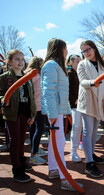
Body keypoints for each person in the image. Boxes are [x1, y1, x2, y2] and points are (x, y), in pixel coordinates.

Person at [41, 38, 83, 191]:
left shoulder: (57, 66)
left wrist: (64, 111)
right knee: (58, 144)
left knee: (56, 143)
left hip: (58, 111)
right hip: (55, 112)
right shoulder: (52, 65)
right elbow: (49, 91)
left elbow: (59, 91)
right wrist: (53, 113)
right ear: (59, 49)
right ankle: (65, 179)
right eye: (65, 48)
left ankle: (53, 170)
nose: (67, 51)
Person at [77, 40, 104, 177]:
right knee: (88, 130)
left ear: (94, 49)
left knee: (94, 132)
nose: (86, 53)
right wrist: (93, 83)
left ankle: (91, 154)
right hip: (88, 100)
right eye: (84, 51)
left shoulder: (102, 64)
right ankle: (89, 163)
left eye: (88, 49)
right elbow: (82, 81)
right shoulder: (82, 64)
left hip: (100, 102)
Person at [0, 49, 36, 182]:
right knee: (15, 141)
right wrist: (3, 99)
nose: (21, 62)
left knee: (22, 140)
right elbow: (1, 93)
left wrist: (32, 113)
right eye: (17, 59)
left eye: (22, 59)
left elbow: (30, 96)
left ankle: (21, 161)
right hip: (12, 114)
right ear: (9, 62)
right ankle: (17, 170)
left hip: (25, 113)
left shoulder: (27, 77)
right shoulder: (4, 78)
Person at [25, 56, 48, 165]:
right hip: (37, 106)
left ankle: (35, 149)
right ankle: (33, 155)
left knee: (34, 128)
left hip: (35, 105)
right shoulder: (34, 75)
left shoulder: (31, 74)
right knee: (40, 128)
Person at [67, 54, 83, 163]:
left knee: (80, 126)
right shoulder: (69, 74)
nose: (79, 63)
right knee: (76, 127)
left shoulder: (81, 73)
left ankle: (77, 145)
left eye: (80, 61)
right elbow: (67, 90)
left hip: (83, 104)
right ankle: (73, 152)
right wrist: (74, 100)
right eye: (77, 62)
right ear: (71, 62)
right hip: (74, 105)